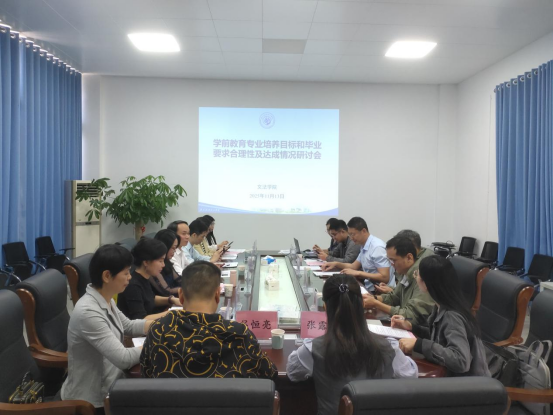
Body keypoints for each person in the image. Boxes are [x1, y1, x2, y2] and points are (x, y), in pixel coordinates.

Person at [287, 274, 417, 415]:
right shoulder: (389, 347)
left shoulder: (313, 348)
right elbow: (410, 375)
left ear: (325, 306)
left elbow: (292, 372)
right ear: (362, 304)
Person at [140, 261, 278, 380]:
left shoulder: (159, 329)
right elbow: (269, 374)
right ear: (217, 294)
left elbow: (146, 374)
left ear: (181, 295)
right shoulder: (240, 334)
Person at [61, 244, 156, 413]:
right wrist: (157, 343)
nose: (130, 277)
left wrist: (162, 325)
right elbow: (123, 358)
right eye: (126, 273)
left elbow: (128, 326)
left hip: (113, 383)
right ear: (107, 276)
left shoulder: (106, 298)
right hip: (92, 401)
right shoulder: (88, 312)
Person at [392, 255, 491, 377]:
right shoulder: (441, 305)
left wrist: (419, 344)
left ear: (426, 284)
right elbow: (440, 336)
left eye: (417, 274)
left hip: (468, 384)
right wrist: (412, 327)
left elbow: (461, 361)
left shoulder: (452, 316)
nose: (416, 276)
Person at [362, 236, 434, 324]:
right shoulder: (405, 272)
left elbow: (411, 315)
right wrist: (374, 298)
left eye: (393, 260)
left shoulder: (421, 277)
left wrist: (376, 304)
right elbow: (394, 297)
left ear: (409, 258)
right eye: (389, 260)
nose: (391, 264)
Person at [321, 217, 392, 293]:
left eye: (353, 234)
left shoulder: (377, 247)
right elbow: (353, 266)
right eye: (350, 235)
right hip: (369, 287)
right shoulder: (364, 245)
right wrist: (335, 264)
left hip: (381, 291)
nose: (351, 238)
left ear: (363, 231)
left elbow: (385, 277)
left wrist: (359, 273)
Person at [118, 238, 181, 320]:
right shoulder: (133, 285)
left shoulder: (144, 277)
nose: (163, 265)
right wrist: (171, 313)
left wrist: (171, 300)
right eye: (160, 261)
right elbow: (141, 319)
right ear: (146, 262)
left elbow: (150, 299)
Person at [374, 229, 434, 294]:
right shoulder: (411, 260)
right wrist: (392, 290)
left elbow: (417, 298)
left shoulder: (424, 266)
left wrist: (392, 292)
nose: (392, 264)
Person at [150, 229, 181, 296]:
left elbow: (179, 279)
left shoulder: (166, 262)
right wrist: (187, 288)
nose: (175, 251)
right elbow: (167, 292)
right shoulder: (154, 265)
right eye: (173, 248)